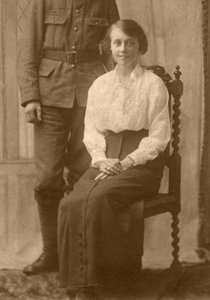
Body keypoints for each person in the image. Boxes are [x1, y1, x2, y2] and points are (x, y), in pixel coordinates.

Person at [17, 0, 119, 276]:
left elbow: (114, 50)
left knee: (81, 177)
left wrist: (116, 95)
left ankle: (77, 258)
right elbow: (28, 50)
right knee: (47, 179)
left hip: (91, 98)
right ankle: (51, 254)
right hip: (49, 98)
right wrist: (30, 96)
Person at [58, 19, 171, 299]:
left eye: (130, 43)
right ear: (109, 47)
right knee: (70, 201)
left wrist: (128, 161)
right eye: (118, 42)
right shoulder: (100, 85)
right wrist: (100, 159)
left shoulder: (153, 84)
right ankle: (81, 281)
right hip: (106, 158)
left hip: (141, 163)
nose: (123, 49)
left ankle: (112, 282)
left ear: (139, 46)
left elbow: (158, 137)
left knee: (99, 198)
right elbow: (92, 129)